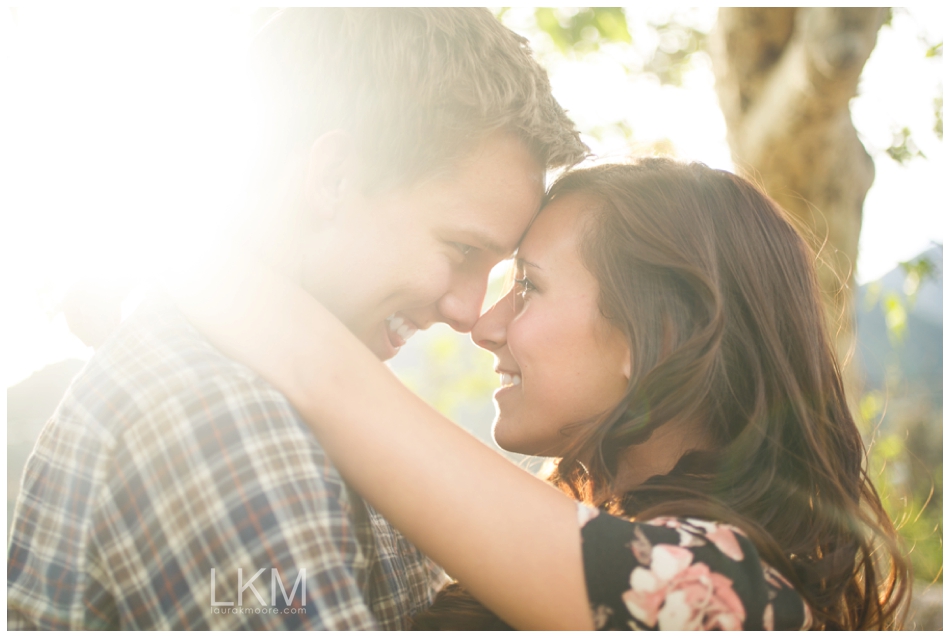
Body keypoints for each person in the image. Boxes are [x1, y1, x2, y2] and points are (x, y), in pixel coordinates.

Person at [6, 9, 587, 630]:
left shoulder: (294, 403)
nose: (469, 312)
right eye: (461, 251)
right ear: (332, 177)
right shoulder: (220, 423)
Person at [170, 158, 910, 630]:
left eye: (527, 285)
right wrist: (227, 589)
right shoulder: (574, 552)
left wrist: (168, 261)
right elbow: (324, 603)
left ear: (653, 333)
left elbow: (330, 381)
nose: (483, 324)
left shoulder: (726, 597)